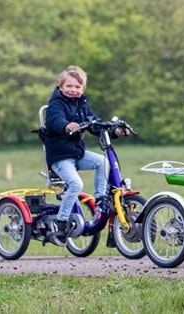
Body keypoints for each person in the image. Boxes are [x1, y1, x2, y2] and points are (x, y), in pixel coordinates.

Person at [44, 65, 129, 246]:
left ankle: (100, 201)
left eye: (77, 87)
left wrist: (115, 131)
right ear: (61, 87)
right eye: (69, 86)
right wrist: (66, 125)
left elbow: (94, 123)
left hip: (77, 153)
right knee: (76, 184)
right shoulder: (55, 104)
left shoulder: (82, 103)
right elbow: (54, 120)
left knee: (103, 162)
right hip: (60, 157)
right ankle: (61, 224)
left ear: (83, 89)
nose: (73, 90)